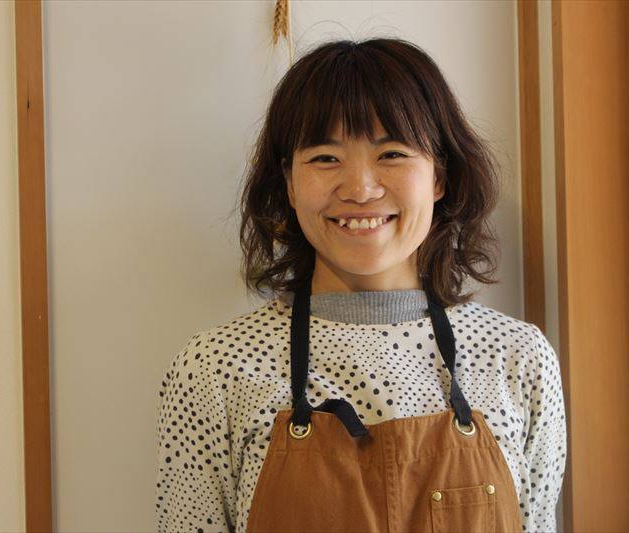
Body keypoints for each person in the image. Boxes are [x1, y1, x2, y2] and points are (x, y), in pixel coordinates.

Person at [155, 37, 566, 533]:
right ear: (289, 183)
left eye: (391, 153)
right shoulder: (214, 369)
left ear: (439, 176)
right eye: (325, 158)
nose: (360, 189)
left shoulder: (517, 357)